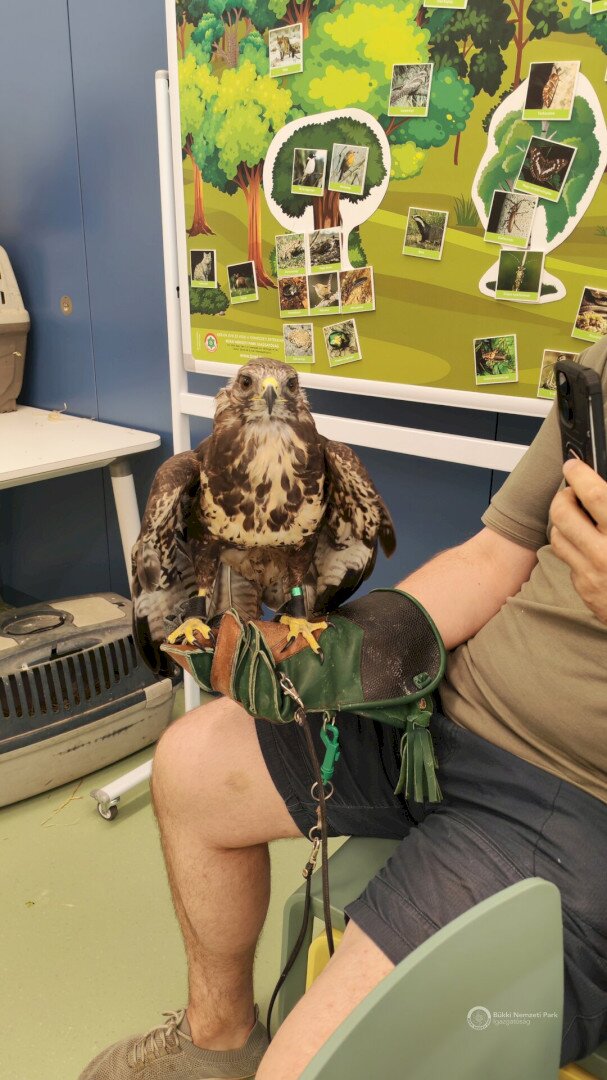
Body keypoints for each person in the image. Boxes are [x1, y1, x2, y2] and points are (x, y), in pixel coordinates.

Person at [79, 341, 607, 1080]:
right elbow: (494, 556)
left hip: (565, 793)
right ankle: (218, 1039)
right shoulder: (602, 364)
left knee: (307, 1068)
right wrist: (354, 650)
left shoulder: (330, 464)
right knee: (190, 764)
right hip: (432, 708)